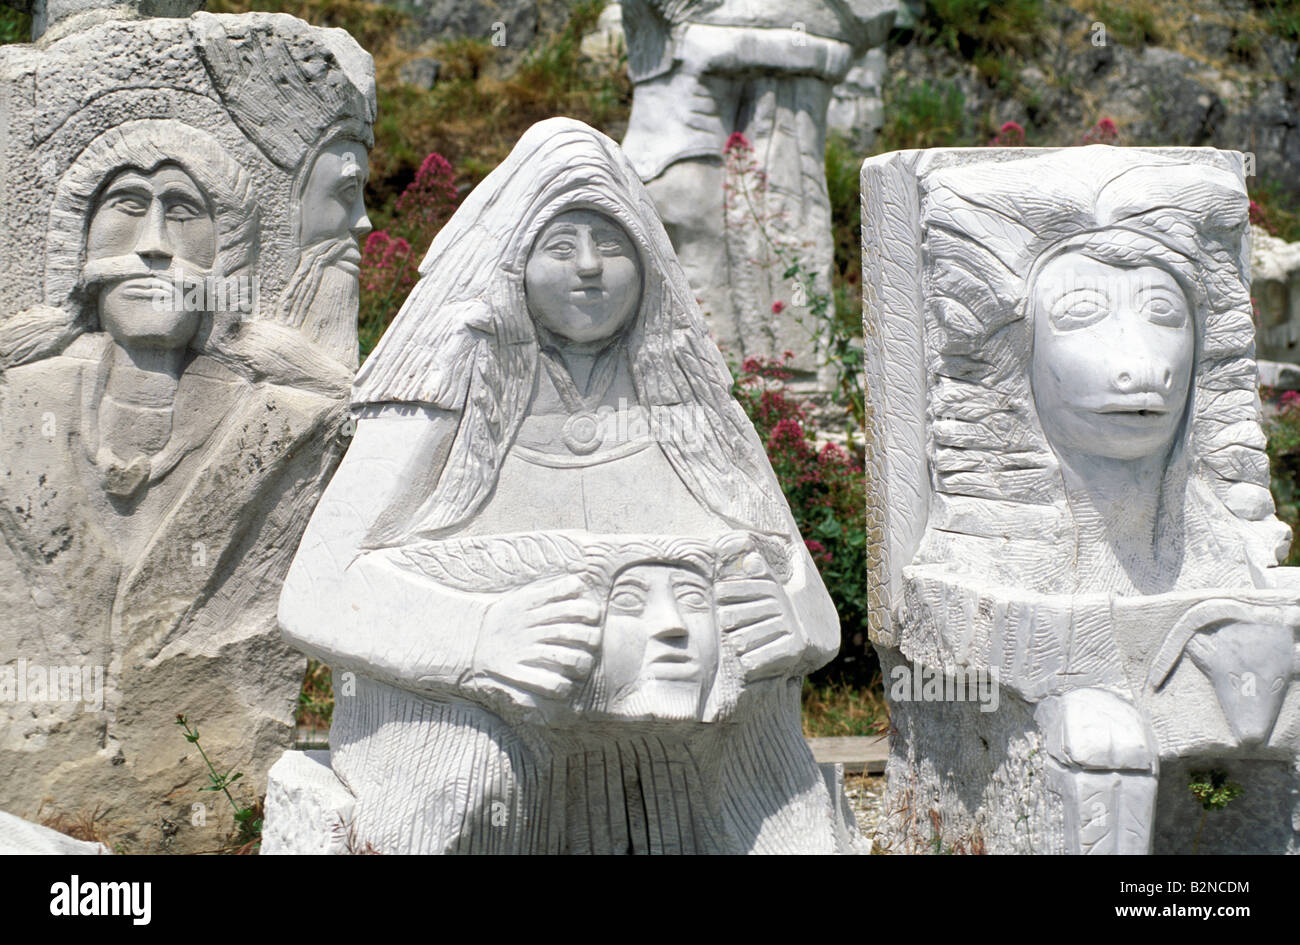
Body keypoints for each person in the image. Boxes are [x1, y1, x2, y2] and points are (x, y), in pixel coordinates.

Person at [279, 117, 850, 854]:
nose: (589, 266)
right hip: (484, 717)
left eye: (611, 244)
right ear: (513, 260)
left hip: (678, 726)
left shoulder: (691, 404)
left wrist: (795, 620)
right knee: (471, 781)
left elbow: (808, 601)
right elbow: (318, 590)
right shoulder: (440, 391)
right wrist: (479, 637)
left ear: (648, 262)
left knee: (770, 782)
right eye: (560, 245)